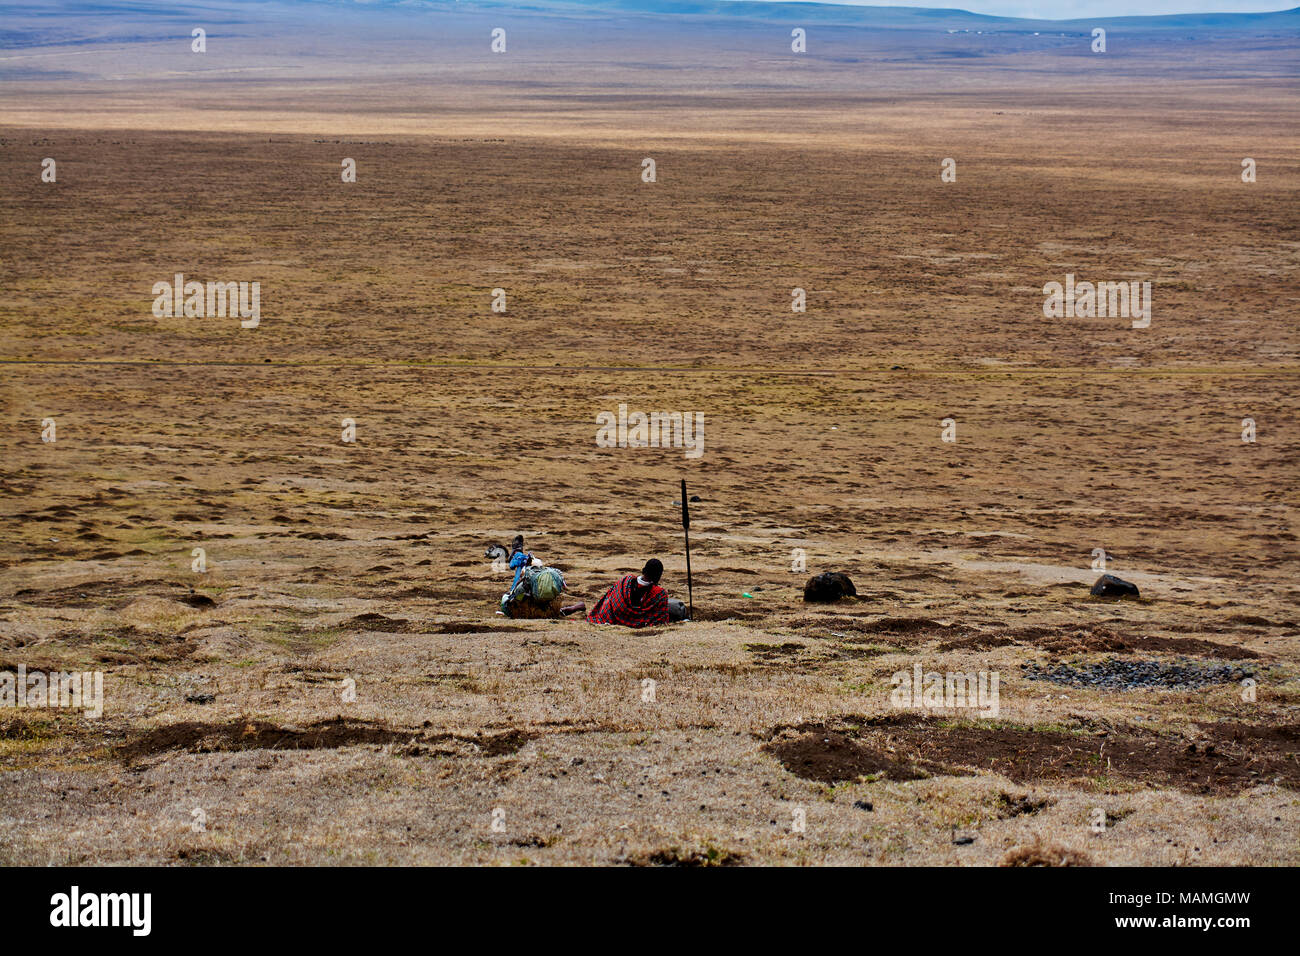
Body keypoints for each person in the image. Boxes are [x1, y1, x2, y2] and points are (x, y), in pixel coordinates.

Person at [587, 559, 670, 628]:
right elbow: (660, 617)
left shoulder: (625, 581)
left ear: (644, 569)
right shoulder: (659, 593)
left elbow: (610, 597)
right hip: (637, 620)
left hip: (614, 616)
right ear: (658, 575)